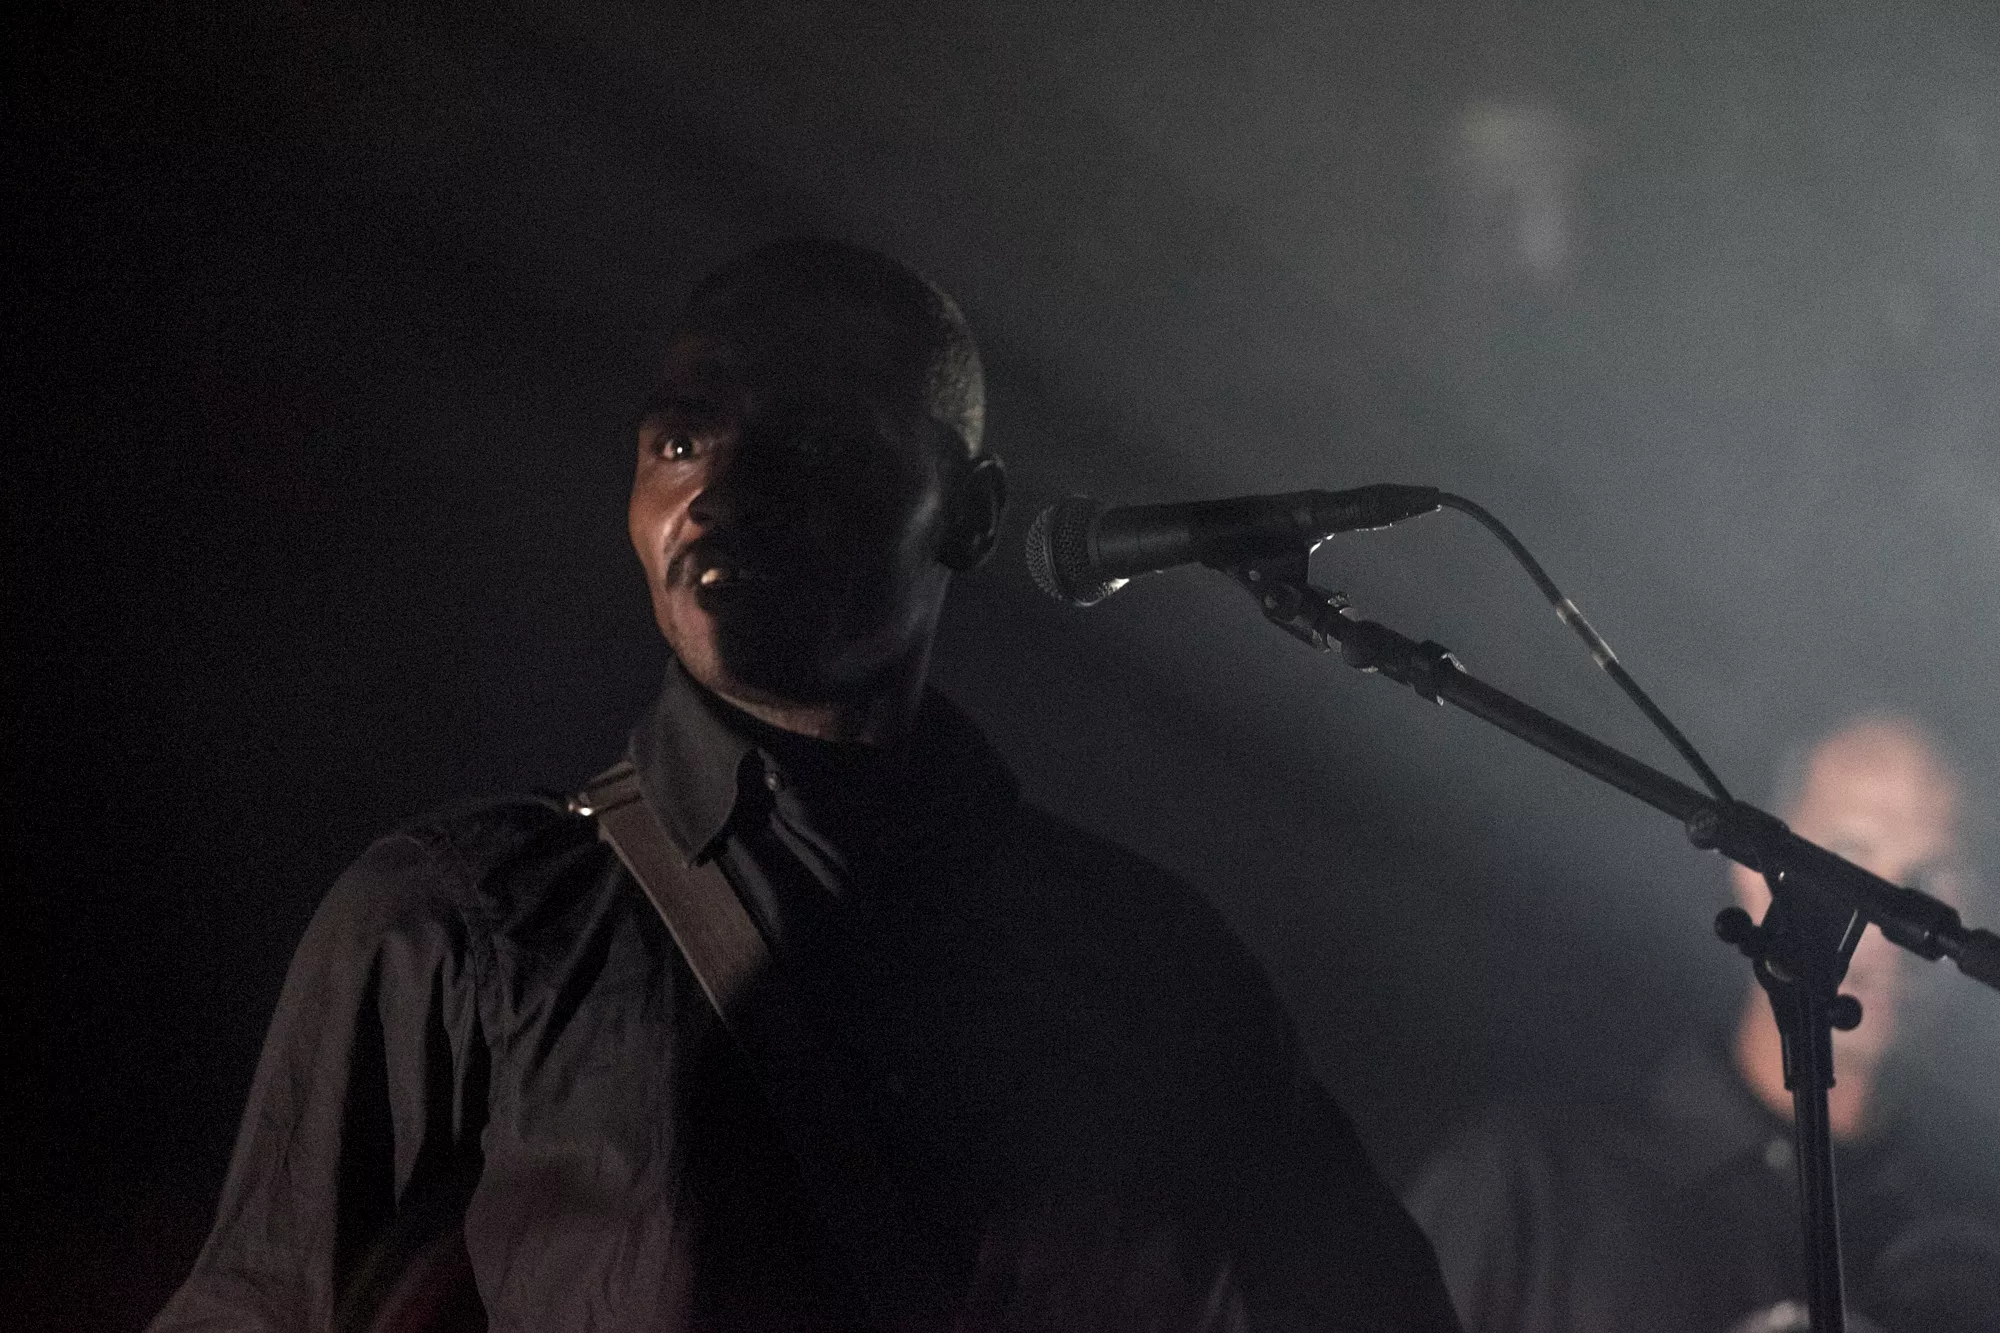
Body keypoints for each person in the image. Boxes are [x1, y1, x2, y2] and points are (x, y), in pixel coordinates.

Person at [149, 239, 1463, 1333]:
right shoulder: (459, 925)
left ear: (969, 514)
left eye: (818, 446)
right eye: (679, 441)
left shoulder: (1150, 962)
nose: (719, 494)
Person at [1407, 713, 2000, 1333]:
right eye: (1847, 859)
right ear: (1751, 872)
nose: (1883, 922)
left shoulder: (1972, 1254)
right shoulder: (1540, 1178)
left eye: (1937, 879)